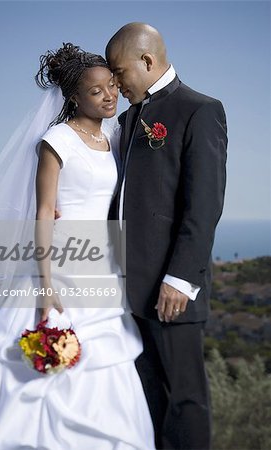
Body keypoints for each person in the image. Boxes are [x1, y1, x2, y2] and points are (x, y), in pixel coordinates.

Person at [0, 43, 155, 450]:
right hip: (61, 263)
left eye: (111, 86)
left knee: (104, 365)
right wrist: (45, 284)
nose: (109, 95)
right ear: (74, 97)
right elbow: (44, 213)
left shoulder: (116, 135)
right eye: (96, 91)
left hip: (103, 265)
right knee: (35, 366)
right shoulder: (57, 140)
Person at [106, 23, 228, 450]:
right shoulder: (125, 119)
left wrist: (179, 278)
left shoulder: (200, 110)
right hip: (128, 290)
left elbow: (204, 204)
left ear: (147, 60)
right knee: (147, 396)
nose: (115, 83)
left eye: (120, 73)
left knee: (186, 399)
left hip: (171, 289)